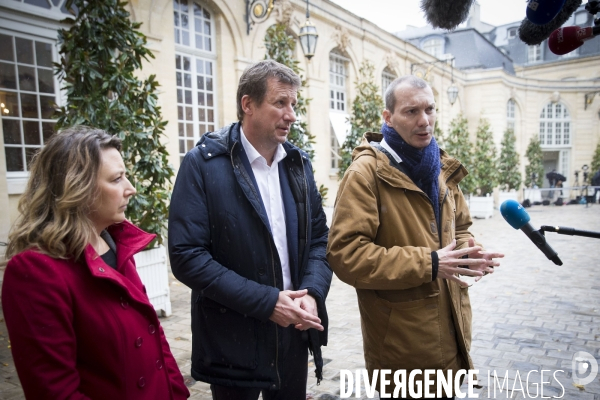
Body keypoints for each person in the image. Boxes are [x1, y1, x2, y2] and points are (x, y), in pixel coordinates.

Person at [327, 76, 504, 398]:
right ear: (387, 117)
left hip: (450, 333)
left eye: (429, 109)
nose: (424, 121)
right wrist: (430, 263)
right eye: (411, 111)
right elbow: (345, 255)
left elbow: (460, 226)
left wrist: (467, 253)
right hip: (402, 345)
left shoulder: (440, 166)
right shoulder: (365, 174)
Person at [168, 60, 332, 400]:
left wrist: (313, 294)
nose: (292, 115)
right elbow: (187, 256)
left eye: (294, 105)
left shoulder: (298, 165)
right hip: (232, 339)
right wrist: (267, 301)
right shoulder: (202, 164)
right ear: (248, 104)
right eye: (280, 103)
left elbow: (319, 240)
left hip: (292, 335)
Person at [2, 126, 189, 400]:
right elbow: (55, 391)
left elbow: (154, 335)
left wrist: (177, 393)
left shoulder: (115, 242)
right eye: (117, 179)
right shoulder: (35, 271)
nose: (131, 189)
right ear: (77, 188)